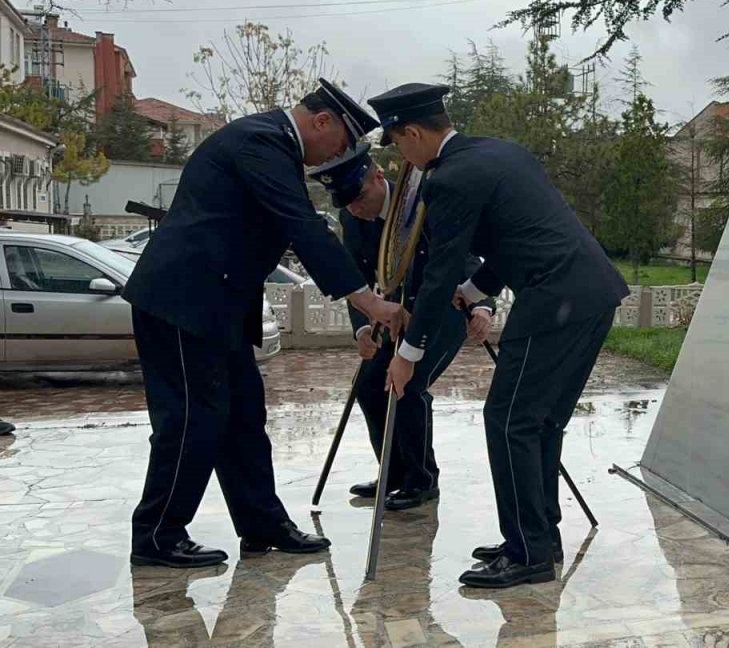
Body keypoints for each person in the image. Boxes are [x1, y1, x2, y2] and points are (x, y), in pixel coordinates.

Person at [122, 79, 406, 569]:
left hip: (219, 307)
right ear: (322, 121)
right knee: (191, 421)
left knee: (244, 418)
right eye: (341, 142)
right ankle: (157, 534)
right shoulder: (260, 142)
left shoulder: (270, 146)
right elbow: (302, 224)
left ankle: (262, 525)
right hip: (182, 303)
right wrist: (365, 301)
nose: (334, 157)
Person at [368, 83, 629, 589]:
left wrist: (408, 353)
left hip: (555, 300)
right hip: (593, 292)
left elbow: (439, 270)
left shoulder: (450, 179)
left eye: (399, 143)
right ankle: (538, 536)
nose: (403, 156)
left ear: (415, 133)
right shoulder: (501, 152)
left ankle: (527, 553)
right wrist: (473, 289)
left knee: (508, 421)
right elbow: (516, 240)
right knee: (540, 422)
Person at [308, 144, 494, 510]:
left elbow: (463, 257)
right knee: (368, 385)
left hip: (443, 308)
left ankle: (422, 479)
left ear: (379, 176)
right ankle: (393, 472)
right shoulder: (352, 218)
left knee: (407, 383)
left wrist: (483, 305)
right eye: (346, 204)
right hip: (394, 313)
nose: (356, 208)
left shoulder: (421, 204)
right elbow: (356, 278)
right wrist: (363, 329)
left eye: (360, 197)